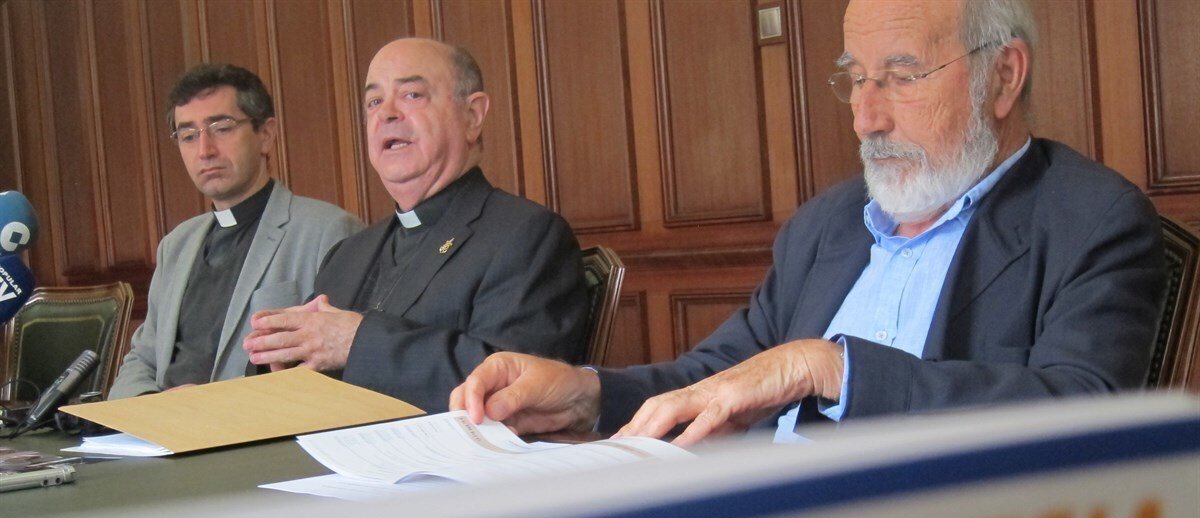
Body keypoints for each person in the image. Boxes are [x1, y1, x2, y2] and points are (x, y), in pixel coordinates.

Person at [451, 0, 1165, 445]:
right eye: (856, 78)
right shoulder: (828, 225)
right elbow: (716, 377)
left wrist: (833, 368)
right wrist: (585, 393)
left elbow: (1083, 415)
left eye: (902, 77)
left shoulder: (1091, 220)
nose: (866, 117)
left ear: (1003, 76)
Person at [242, 39, 590, 413]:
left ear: (472, 115)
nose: (386, 114)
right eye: (374, 102)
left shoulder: (527, 236)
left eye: (411, 95)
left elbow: (517, 385)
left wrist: (356, 342)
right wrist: (279, 355)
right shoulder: (347, 254)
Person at [110, 64, 362, 398]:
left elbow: (339, 374)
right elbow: (142, 359)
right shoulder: (176, 245)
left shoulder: (327, 231)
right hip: (165, 422)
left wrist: (211, 407)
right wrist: (151, 405)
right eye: (188, 136)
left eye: (222, 128)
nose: (205, 150)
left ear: (265, 134)